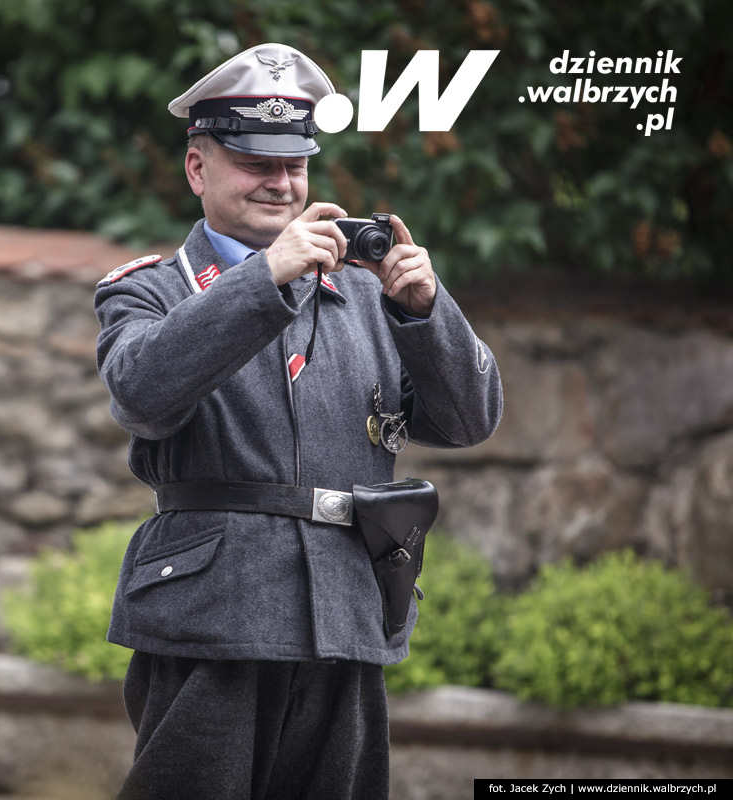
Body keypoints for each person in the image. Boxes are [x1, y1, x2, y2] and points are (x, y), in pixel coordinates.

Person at [94, 43, 503, 799]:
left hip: (346, 617)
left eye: (295, 164)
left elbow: (470, 420)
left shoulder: (366, 291)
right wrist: (264, 277)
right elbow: (142, 394)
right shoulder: (151, 290)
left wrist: (426, 312)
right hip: (213, 622)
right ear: (198, 168)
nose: (280, 183)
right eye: (255, 161)